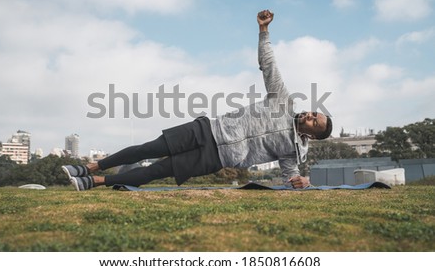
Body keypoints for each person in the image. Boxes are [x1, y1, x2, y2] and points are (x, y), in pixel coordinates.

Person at [62, 10, 332, 191]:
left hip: (217, 156)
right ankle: (88, 166)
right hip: (207, 129)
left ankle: (94, 181)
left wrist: (301, 182)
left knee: (158, 171)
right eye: (312, 113)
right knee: (147, 149)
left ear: (313, 136)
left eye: (314, 121)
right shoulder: (283, 102)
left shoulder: (293, 150)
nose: (309, 115)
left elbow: (290, 178)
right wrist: (264, 32)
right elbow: (270, 64)